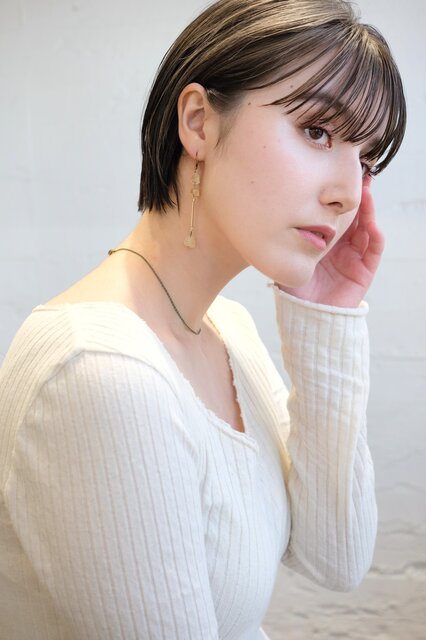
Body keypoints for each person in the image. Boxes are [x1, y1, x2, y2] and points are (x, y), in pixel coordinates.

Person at [0, 0, 406, 638]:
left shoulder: (226, 330)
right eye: (317, 131)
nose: (348, 194)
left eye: (366, 160)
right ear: (198, 123)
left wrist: (326, 311)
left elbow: (335, 557)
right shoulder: (102, 372)